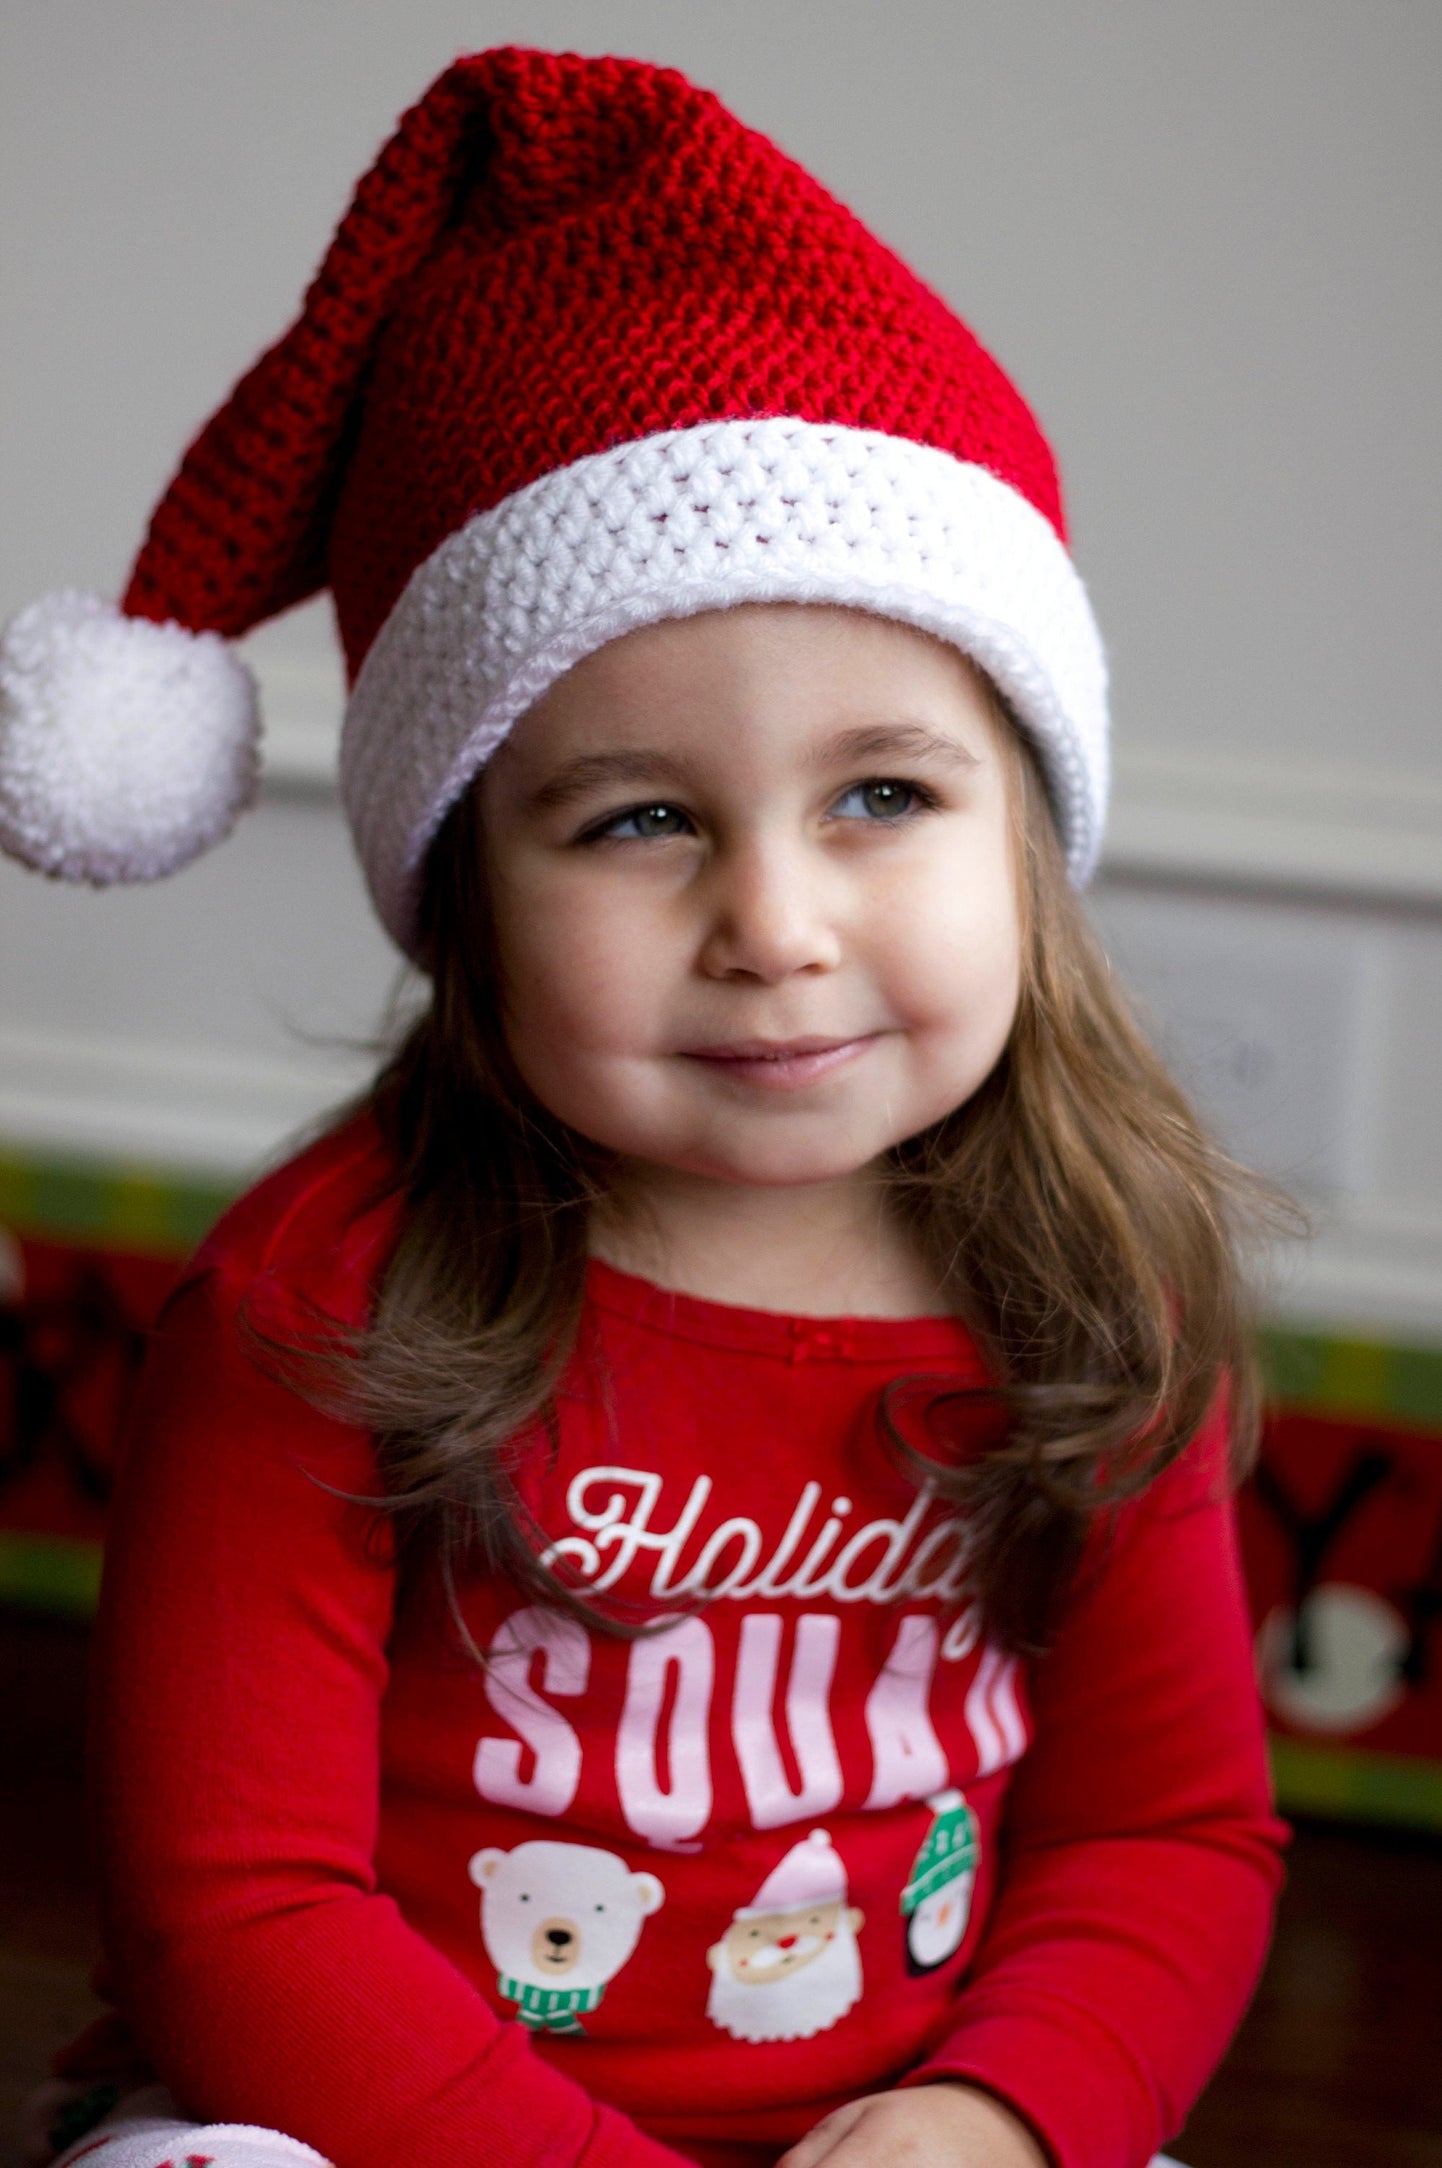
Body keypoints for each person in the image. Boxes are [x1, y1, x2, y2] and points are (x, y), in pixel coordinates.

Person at [0, 47, 1289, 2168]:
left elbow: (1166, 1831)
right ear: (466, 894)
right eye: (636, 820)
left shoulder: (1097, 1278)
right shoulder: (319, 1311)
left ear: (1027, 831)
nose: (774, 925)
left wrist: (996, 2115)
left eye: (883, 794)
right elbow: (237, 1912)